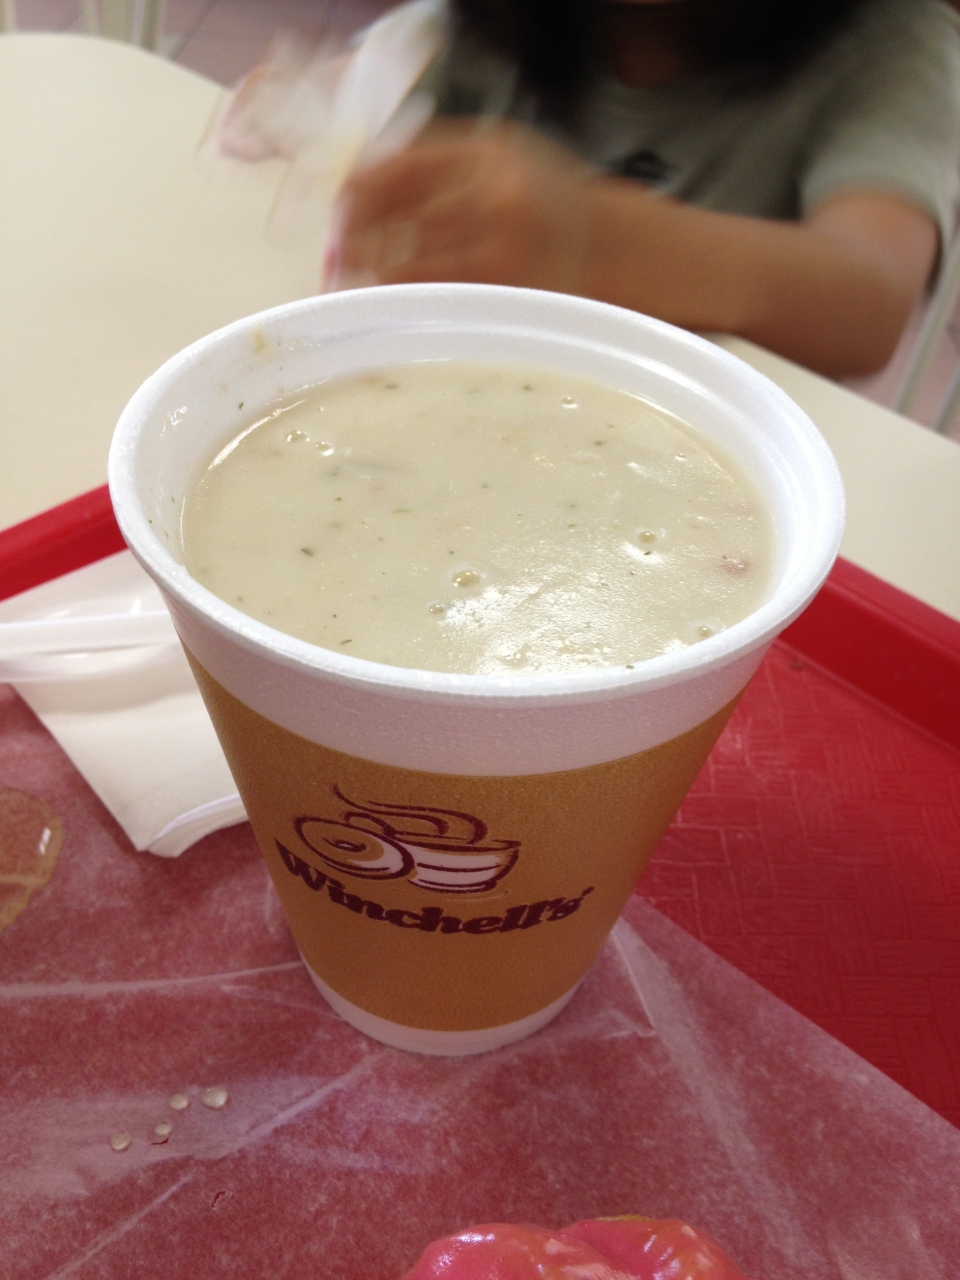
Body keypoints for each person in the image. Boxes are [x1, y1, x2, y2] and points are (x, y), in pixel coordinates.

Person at [333, 0, 960, 377]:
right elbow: (373, 137)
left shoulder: (894, 42)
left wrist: (594, 243)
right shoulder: (482, 22)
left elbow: (872, 298)